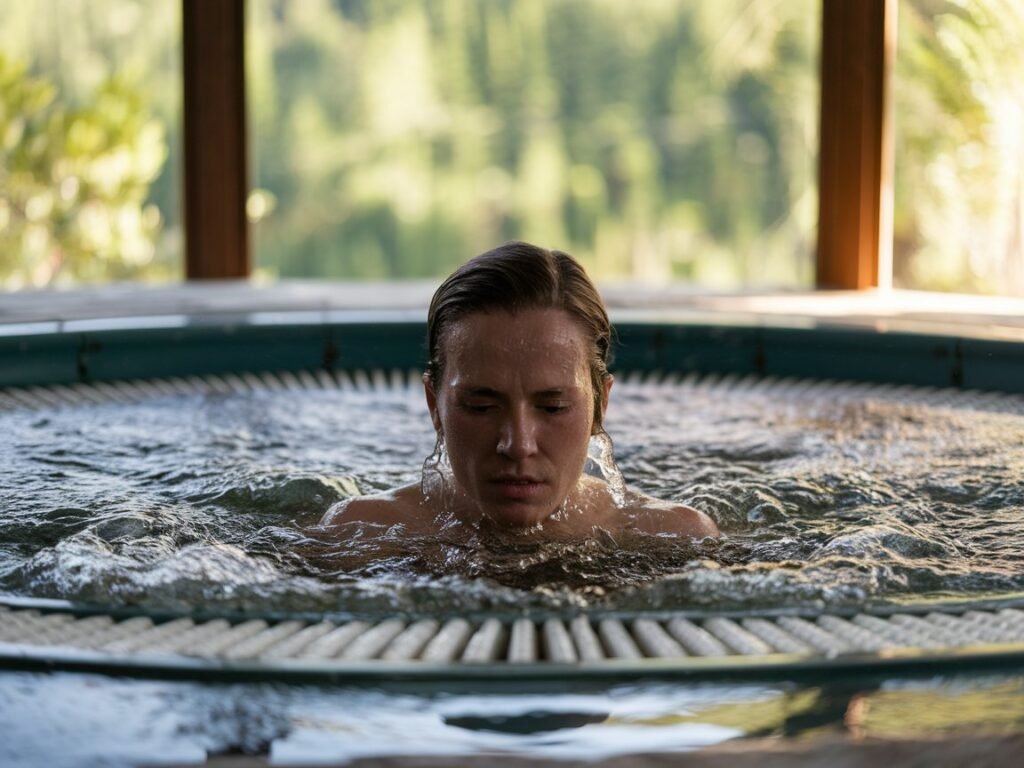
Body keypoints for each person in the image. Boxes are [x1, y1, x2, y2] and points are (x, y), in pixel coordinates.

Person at [319, 241, 719, 540]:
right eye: (480, 406)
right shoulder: (363, 534)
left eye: (553, 407)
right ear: (434, 405)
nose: (517, 444)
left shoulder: (668, 536)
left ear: (601, 405)